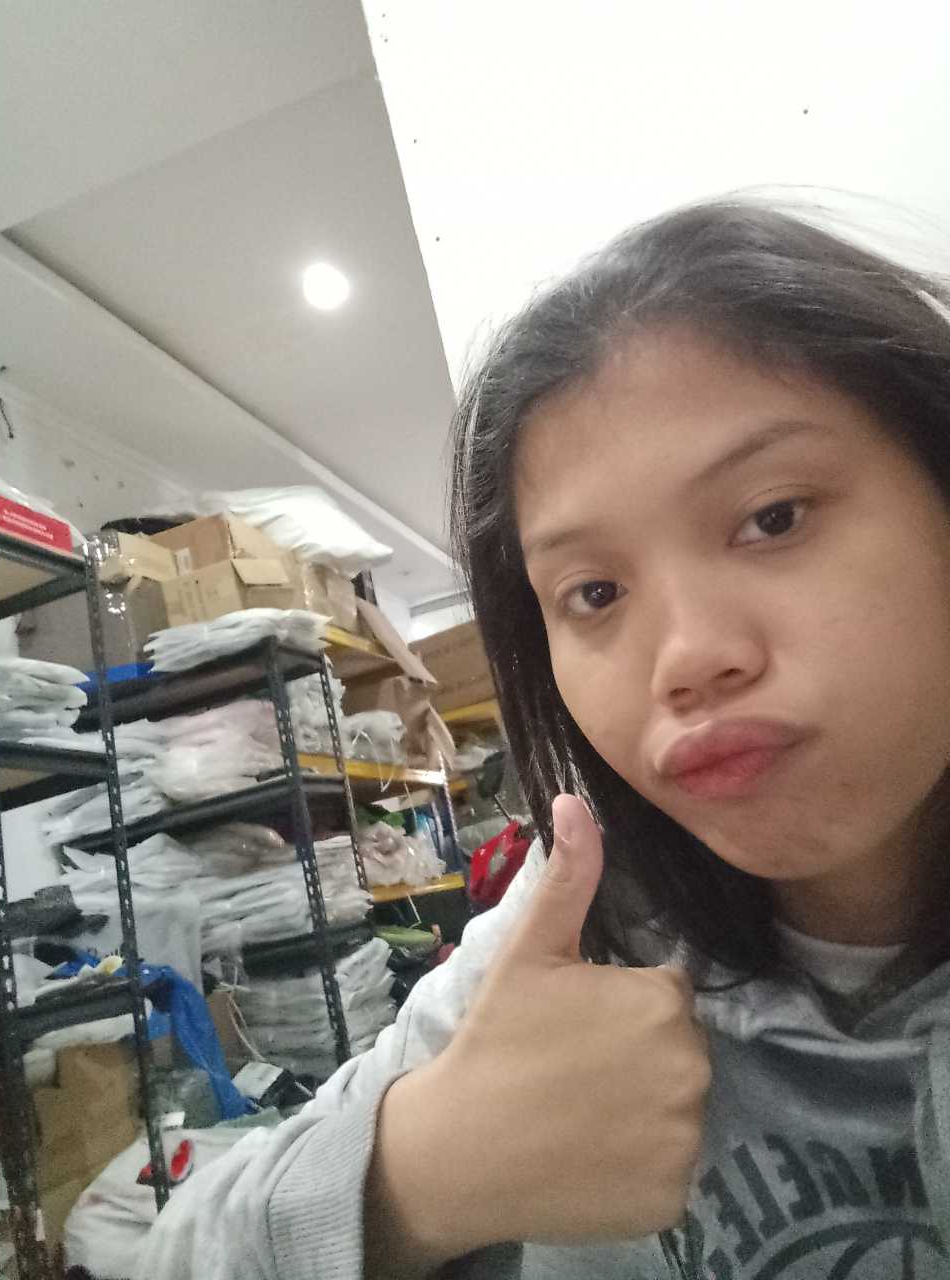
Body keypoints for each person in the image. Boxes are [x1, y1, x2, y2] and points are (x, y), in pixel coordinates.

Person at [137, 198, 950, 1280]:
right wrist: (419, 1177)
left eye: (775, 517)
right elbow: (175, 1252)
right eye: (595, 591)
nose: (687, 657)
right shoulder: (587, 926)